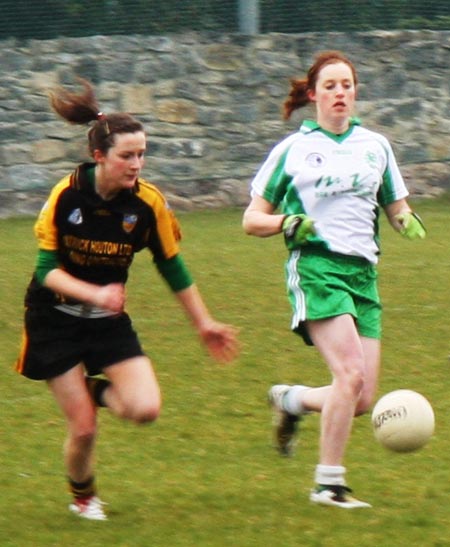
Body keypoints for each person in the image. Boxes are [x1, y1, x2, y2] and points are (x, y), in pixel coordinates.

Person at [15, 79, 239, 521]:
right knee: (83, 428)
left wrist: (204, 323)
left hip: (106, 321)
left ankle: (92, 388)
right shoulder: (67, 195)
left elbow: (172, 265)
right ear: (100, 156)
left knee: (145, 409)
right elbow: (47, 271)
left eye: (141, 154)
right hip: (53, 319)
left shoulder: (147, 204)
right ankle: (83, 496)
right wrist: (95, 291)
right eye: (126, 156)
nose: (137, 164)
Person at [242, 50, 426, 509]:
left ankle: (291, 400)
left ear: (355, 92)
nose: (340, 92)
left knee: (361, 397)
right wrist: (287, 223)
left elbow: (394, 204)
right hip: (318, 269)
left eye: (347, 85)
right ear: (313, 94)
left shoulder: (376, 146)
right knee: (349, 373)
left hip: (364, 276)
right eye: (330, 86)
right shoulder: (292, 150)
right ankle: (329, 484)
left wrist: (406, 220)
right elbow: (251, 219)